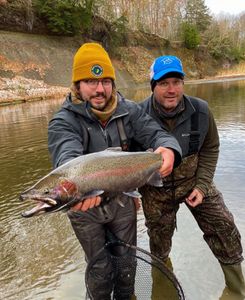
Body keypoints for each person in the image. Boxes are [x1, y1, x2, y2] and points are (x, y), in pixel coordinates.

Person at [48, 43, 182, 300]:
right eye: (90, 81)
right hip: (85, 208)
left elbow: (157, 134)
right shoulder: (63, 121)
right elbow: (66, 157)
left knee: (127, 265)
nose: (100, 89)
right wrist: (78, 189)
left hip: (123, 201)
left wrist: (169, 150)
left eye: (106, 81)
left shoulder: (130, 110)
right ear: (77, 85)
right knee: (99, 270)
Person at [138, 55, 245, 297]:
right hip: (155, 190)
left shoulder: (201, 110)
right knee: (159, 242)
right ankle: (164, 288)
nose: (171, 89)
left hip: (195, 181)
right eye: (164, 83)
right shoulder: (137, 115)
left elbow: (210, 148)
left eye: (176, 81)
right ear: (153, 85)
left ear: (183, 83)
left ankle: (236, 290)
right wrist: (133, 193)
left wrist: (203, 186)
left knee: (224, 225)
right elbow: (127, 161)